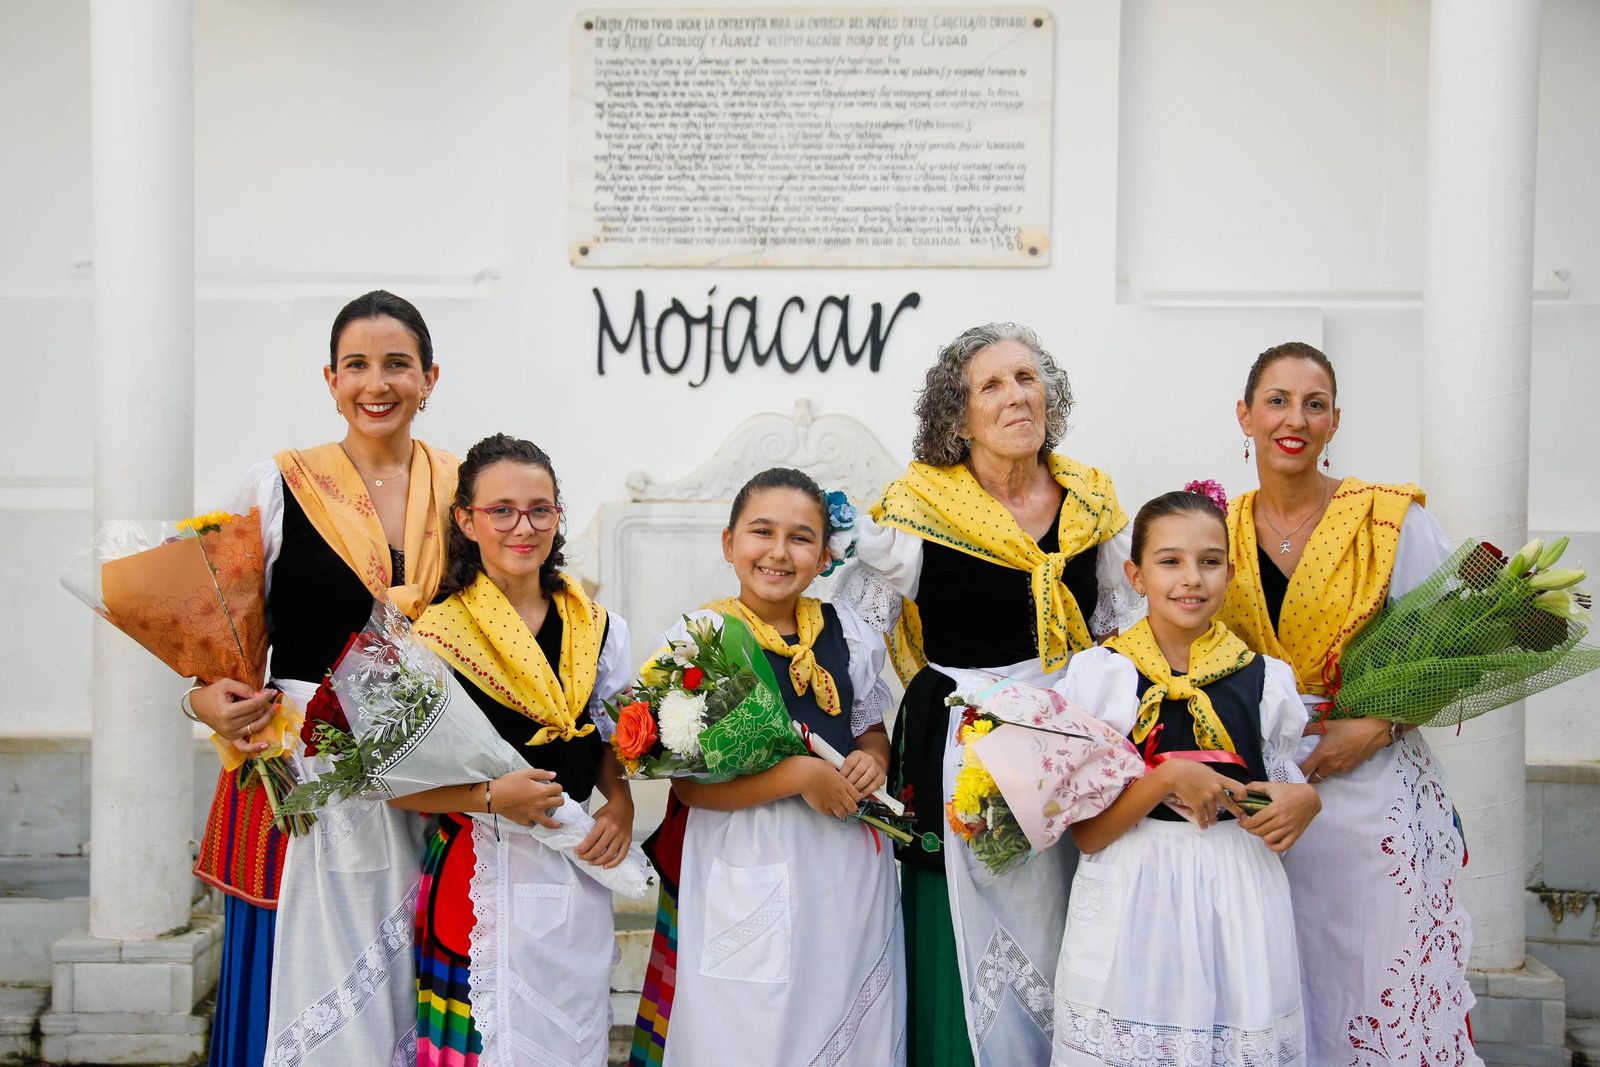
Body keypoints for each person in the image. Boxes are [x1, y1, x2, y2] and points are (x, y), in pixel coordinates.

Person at [833, 323, 1142, 1066]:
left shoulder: (1091, 502)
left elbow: (1126, 625)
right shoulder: (918, 507)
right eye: (992, 385)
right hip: (962, 742)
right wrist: (869, 738)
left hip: (1069, 742)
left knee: (1074, 917)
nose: (1016, 397)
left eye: (1028, 378)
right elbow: (855, 636)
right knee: (970, 935)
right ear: (958, 416)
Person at [183, 290, 456, 1067]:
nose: (377, 383)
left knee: (412, 974)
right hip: (301, 777)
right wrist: (201, 699)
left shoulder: (466, 491)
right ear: (331, 380)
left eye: (397, 364)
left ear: (429, 378)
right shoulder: (278, 485)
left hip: (435, 776)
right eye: (357, 365)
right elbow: (211, 641)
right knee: (298, 984)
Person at [1219, 342, 1480, 1066]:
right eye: (1276, 401)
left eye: (1315, 404)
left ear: (1335, 421)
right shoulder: (1217, 529)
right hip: (1261, 805)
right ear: (1245, 415)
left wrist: (1379, 725)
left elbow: (1455, 650)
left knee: (1375, 990)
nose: (1294, 420)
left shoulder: (1389, 520)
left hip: (1372, 797)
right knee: (1278, 994)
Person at [635, 467, 905, 1066]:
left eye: (801, 537)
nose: (779, 552)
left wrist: (873, 759)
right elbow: (691, 789)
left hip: (845, 861)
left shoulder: (849, 632)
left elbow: (869, 727)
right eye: (761, 532)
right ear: (729, 543)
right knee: (752, 1027)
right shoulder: (700, 639)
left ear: (825, 554)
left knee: (844, 1013)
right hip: (744, 853)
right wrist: (799, 776)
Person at [1051, 489, 1319, 1066]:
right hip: (1134, 890)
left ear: (1230, 572)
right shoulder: (1104, 677)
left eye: (1210, 561)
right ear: (1136, 576)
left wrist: (1305, 800)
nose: (1191, 579)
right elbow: (1088, 836)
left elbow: (1280, 794)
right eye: (1169, 561)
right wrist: (1166, 776)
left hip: (1237, 891)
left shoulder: (1265, 680)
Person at [396, 434, 636, 1067]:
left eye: (539, 510)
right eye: (501, 511)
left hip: (576, 864)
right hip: (479, 874)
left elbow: (609, 734)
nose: (522, 527)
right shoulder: (435, 637)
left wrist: (620, 803)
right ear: (465, 520)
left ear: (558, 516)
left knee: (572, 1038)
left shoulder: (596, 626)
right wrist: (489, 796)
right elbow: (390, 785)